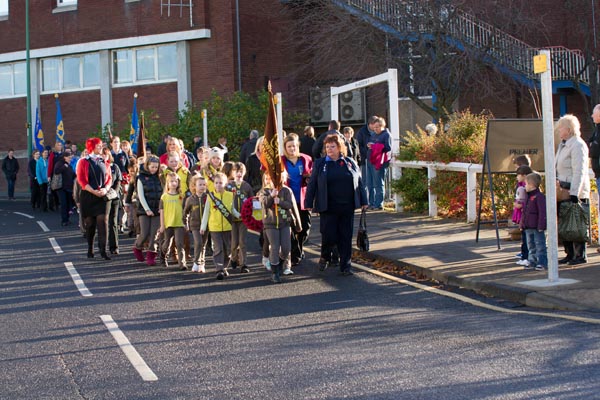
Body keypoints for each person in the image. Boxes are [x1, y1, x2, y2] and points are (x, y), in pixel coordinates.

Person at [304, 134, 368, 276]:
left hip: (347, 206)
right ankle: (325, 256)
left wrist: (364, 201)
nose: (329, 149)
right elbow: (312, 184)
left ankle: (346, 266)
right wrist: (308, 202)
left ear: (340, 148)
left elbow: (359, 182)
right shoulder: (320, 163)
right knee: (329, 236)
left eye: (332, 146)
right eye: (327, 147)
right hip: (328, 207)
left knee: (345, 237)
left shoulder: (350, 162)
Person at [555, 114, 590, 266]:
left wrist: (575, 192)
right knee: (565, 222)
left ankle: (579, 254)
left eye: (561, 128)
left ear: (568, 129)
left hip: (573, 190)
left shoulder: (577, 145)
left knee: (576, 222)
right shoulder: (563, 145)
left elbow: (579, 170)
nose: (559, 130)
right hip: (562, 189)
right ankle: (569, 253)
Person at [76, 138, 113, 260]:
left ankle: (103, 250)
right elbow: (81, 180)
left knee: (103, 222)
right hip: (88, 195)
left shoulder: (104, 161)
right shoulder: (83, 162)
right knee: (90, 224)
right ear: (91, 147)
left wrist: (106, 189)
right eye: (98, 146)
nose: (101, 148)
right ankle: (90, 248)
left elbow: (109, 178)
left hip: (102, 196)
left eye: (101, 145)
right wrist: (93, 191)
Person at [282, 133, 312, 269]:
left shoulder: (306, 159)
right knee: (292, 227)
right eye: (289, 146)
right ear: (285, 147)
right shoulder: (281, 161)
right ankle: (295, 254)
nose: (292, 148)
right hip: (288, 200)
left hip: (303, 199)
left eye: (294, 146)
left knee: (305, 228)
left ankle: (299, 247)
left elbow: (312, 175)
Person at [200, 172, 238, 280]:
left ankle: (224, 267)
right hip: (214, 227)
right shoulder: (210, 197)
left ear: (225, 183)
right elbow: (206, 212)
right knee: (218, 248)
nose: (218, 185)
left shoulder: (230, 195)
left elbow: (232, 210)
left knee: (227, 249)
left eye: (220, 183)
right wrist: (203, 227)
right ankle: (219, 269)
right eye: (216, 183)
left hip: (227, 227)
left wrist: (241, 215)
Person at [133, 156, 162, 266]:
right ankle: (137, 247)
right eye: (152, 167)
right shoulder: (140, 178)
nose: (154, 169)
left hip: (157, 209)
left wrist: (161, 207)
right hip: (144, 210)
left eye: (156, 167)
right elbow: (140, 195)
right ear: (147, 166)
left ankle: (151, 255)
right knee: (144, 233)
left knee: (154, 234)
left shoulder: (160, 177)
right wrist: (147, 209)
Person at [226, 162, 254, 273]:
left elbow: (252, 200)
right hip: (232, 219)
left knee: (242, 242)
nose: (239, 174)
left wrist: (251, 213)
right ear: (232, 173)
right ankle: (234, 258)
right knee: (234, 242)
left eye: (241, 171)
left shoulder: (247, 186)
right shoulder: (228, 186)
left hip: (243, 219)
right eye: (236, 171)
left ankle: (243, 264)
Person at [159, 172, 187, 270]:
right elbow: (161, 212)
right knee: (167, 244)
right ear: (167, 183)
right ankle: (163, 256)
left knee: (179, 243)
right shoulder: (164, 197)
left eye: (176, 181)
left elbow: (185, 210)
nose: (174, 183)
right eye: (171, 181)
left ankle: (182, 263)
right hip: (168, 224)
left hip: (179, 223)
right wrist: (162, 225)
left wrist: (185, 222)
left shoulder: (181, 196)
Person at [519, 172, 547, 271]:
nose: (525, 186)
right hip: (528, 226)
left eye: (526, 184)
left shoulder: (539, 196)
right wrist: (522, 223)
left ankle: (542, 262)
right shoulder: (527, 196)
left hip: (536, 226)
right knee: (531, 245)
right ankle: (532, 261)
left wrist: (541, 225)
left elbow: (542, 212)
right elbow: (524, 212)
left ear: (531, 185)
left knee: (540, 244)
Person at [366, 117, 392, 210]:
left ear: (382, 126)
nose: (375, 129)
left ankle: (379, 204)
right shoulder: (373, 134)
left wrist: (375, 146)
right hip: (370, 160)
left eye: (377, 127)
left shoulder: (386, 135)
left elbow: (388, 148)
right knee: (370, 184)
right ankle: (371, 203)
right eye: (374, 127)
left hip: (379, 162)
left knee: (378, 183)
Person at [184, 174, 208, 273]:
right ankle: (196, 262)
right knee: (198, 243)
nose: (202, 187)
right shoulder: (190, 199)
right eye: (200, 185)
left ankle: (202, 263)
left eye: (204, 184)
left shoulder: (208, 198)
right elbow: (185, 212)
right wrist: (186, 223)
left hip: (206, 225)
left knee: (203, 244)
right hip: (194, 225)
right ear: (194, 186)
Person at [103, 148, 123, 255]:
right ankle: (102, 247)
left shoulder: (114, 167)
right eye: (102, 155)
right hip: (102, 197)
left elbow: (118, 181)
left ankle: (114, 247)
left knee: (113, 222)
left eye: (105, 154)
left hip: (114, 197)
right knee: (103, 222)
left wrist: (113, 192)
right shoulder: (98, 167)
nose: (103, 157)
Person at [513, 165, 533, 267]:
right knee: (524, 237)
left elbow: (529, 201)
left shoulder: (527, 187)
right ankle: (524, 256)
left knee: (527, 238)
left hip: (526, 216)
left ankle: (527, 257)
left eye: (518, 175)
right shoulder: (521, 186)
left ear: (524, 175)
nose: (517, 177)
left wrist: (520, 205)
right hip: (523, 216)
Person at [53, 149, 76, 226]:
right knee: (64, 204)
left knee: (68, 204)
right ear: (64, 157)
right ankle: (64, 220)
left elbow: (73, 175)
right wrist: (63, 167)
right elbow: (56, 171)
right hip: (61, 187)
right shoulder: (60, 163)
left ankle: (67, 219)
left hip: (69, 187)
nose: (70, 159)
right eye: (69, 157)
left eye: (70, 157)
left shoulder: (69, 165)